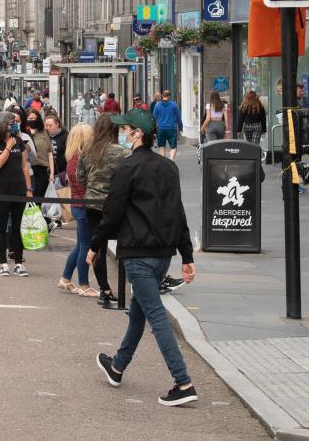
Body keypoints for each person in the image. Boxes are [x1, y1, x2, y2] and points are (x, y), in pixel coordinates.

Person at [92, 107, 197, 407]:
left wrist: (95, 245)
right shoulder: (168, 168)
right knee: (138, 312)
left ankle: (183, 382)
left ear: (137, 135)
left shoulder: (126, 169)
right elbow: (178, 212)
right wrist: (186, 255)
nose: (121, 134)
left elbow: (112, 213)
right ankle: (117, 366)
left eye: (125, 130)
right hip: (163, 254)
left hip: (138, 254)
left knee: (156, 317)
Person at [78, 113, 130, 308]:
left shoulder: (87, 150)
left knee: (97, 246)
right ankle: (125, 288)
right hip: (115, 205)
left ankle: (104, 289)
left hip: (92, 204)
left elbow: (80, 178)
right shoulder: (122, 152)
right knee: (124, 243)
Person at [0, 112, 32, 277]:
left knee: (17, 226)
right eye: (11, 122)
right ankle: (3, 262)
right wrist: (8, 146)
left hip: (18, 188)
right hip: (1, 190)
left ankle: (19, 262)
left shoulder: (19, 140)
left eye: (15, 122)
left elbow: (25, 166)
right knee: (2, 226)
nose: (14, 125)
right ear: (2, 124)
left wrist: (28, 188)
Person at [58, 123, 97, 297]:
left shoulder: (73, 157)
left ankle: (66, 278)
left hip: (78, 204)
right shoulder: (80, 159)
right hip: (83, 205)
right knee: (85, 246)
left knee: (80, 245)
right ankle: (84, 284)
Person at [25, 109, 53, 221]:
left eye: (34, 118)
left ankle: (38, 223)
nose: (32, 120)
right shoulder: (24, 133)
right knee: (31, 198)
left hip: (42, 169)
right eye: (30, 118)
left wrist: (52, 171)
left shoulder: (43, 132)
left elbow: (50, 152)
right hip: (29, 169)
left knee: (39, 199)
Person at [151, 89, 182, 160]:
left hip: (161, 129)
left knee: (162, 147)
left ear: (162, 96)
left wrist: (153, 130)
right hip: (171, 129)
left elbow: (153, 118)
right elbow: (178, 117)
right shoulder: (174, 104)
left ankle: (164, 163)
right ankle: (171, 160)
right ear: (169, 96)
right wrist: (181, 128)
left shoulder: (157, 105)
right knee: (173, 147)